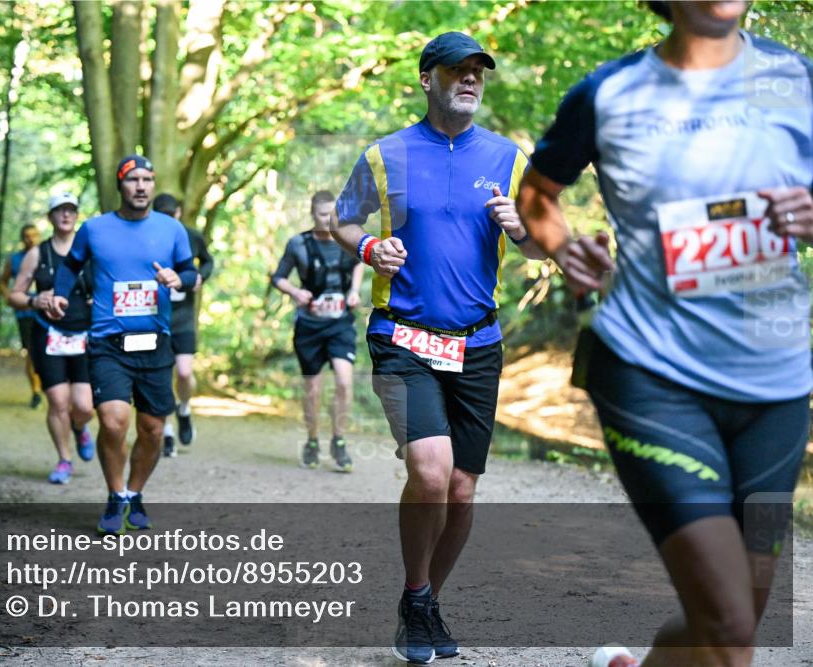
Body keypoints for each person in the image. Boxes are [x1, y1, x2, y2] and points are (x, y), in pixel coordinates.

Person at [516, 3, 812, 666]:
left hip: (777, 388)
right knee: (730, 623)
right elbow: (538, 195)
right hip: (651, 374)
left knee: (737, 620)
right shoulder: (609, 93)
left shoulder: (796, 81)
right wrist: (564, 249)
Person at [332, 32, 544, 664]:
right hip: (403, 336)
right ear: (427, 79)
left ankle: (420, 602)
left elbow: (540, 248)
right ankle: (419, 594)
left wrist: (523, 231)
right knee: (430, 472)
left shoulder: (510, 157)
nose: (471, 79)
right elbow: (344, 220)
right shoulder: (384, 154)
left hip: (478, 343)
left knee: (461, 490)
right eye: (458, 70)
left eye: (479, 71)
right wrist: (369, 247)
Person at [47, 156, 197, 535]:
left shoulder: (172, 229)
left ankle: (135, 493)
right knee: (114, 422)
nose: (142, 186)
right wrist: (60, 295)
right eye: (134, 180)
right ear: (121, 185)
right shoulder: (94, 229)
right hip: (107, 342)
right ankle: (115, 495)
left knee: (150, 428)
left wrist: (177, 279)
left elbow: (192, 271)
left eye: (148, 179)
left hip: (155, 342)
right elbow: (70, 266)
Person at [273, 190, 364, 471]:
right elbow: (278, 277)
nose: (328, 220)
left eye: (333, 214)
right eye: (323, 214)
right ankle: (312, 440)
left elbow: (361, 260)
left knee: (344, 382)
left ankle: (339, 440)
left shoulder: (347, 241)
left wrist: (354, 291)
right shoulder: (298, 244)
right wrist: (296, 292)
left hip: (339, 324)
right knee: (312, 389)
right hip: (310, 326)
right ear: (312, 214)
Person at [9, 193, 95, 484]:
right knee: (58, 400)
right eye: (60, 210)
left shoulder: (89, 252)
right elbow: (15, 295)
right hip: (48, 335)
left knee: (84, 406)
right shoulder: (38, 254)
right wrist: (35, 301)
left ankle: (80, 427)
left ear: (77, 215)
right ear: (50, 217)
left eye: (71, 210)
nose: (66, 215)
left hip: (85, 334)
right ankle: (64, 459)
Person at [152, 193, 215, 457]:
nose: (168, 220)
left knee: (185, 373)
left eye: (171, 214)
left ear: (179, 212)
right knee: (161, 377)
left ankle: (185, 409)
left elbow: (208, 260)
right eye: (162, 215)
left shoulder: (191, 236)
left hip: (184, 317)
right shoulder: (148, 238)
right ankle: (166, 432)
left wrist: (199, 277)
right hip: (156, 317)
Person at [0, 224, 43, 409]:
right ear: (22, 238)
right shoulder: (15, 259)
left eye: (33, 235)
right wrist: (9, 296)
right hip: (25, 312)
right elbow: (3, 281)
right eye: (26, 236)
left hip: (46, 310)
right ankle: (36, 392)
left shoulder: (47, 255)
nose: (30, 239)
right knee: (32, 352)